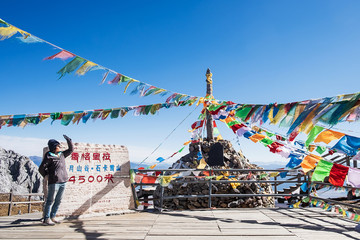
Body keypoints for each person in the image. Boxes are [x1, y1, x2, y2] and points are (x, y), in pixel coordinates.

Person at [39, 135, 73, 226]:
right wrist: (46, 175)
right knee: (50, 200)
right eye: (58, 146)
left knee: (58, 200)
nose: (60, 147)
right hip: (54, 182)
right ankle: (46, 218)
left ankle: (53, 216)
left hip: (63, 181)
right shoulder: (49, 156)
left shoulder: (61, 154)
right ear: (54, 147)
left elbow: (70, 150)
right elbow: (41, 168)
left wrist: (69, 140)